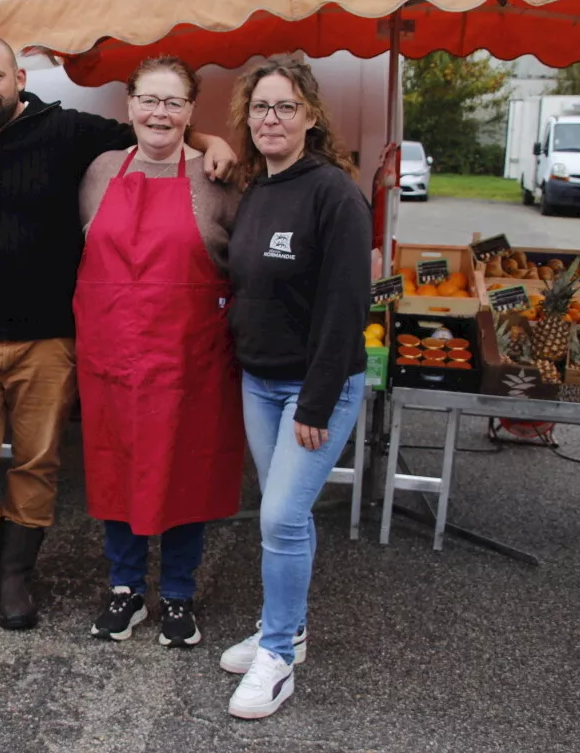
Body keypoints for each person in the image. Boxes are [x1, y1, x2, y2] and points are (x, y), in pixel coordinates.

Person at [0, 36, 238, 631]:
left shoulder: (73, 135)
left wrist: (213, 140)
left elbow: (161, 142)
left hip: (71, 341)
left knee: (49, 464)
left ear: (18, 76)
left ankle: (24, 578)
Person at [74, 56, 246, 648]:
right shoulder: (98, 172)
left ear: (191, 112)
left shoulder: (217, 179)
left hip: (188, 362)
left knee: (185, 471)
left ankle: (176, 593)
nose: (160, 113)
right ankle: (124, 588)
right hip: (113, 359)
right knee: (116, 463)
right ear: (129, 106)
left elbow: (243, 267)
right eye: (150, 100)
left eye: (174, 103)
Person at [218, 56, 370, 718]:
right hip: (259, 381)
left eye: (283, 107)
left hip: (316, 388)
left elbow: (346, 306)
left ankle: (277, 655)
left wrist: (316, 398)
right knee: (286, 516)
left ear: (311, 115)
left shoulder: (334, 193)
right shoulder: (257, 188)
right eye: (259, 108)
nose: (269, 119)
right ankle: (291, 627)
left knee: (279, 516)